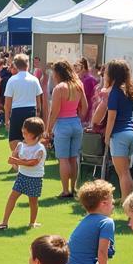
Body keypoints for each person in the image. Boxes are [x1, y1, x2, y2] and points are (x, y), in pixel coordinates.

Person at [93, 59, 133, 201]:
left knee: (123, 174)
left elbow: (111, 117)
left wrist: (107, 137)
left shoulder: (115, 93)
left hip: (119, 135)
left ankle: (127, 204)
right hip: (131, 133)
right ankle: (129, 202)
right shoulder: (130, 91)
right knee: (127, 172)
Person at [62, 179, 116, 264]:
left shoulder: (86, 220)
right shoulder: (106, 222)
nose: (114, 202)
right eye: (112, 199)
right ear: (104, 203)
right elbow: (102, 253)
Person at [0, 116, 47, 230]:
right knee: (12, 197)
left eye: (26, 133)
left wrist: (16, 161)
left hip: (35, 178)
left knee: (33, 201)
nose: (23, 135)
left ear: (35, 135)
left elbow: (32, 163)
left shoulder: (40, 149)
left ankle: (32, 223)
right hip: (22, 176)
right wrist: (14, 157)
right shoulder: (21, 145)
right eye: (23, 132)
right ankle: (4, 222)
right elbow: (15, 157)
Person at [46, 59, 88, 198]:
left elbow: (55, 111)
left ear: (58, 73)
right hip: (75, 123)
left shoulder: (59, 88)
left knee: (63, 159)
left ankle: (65, 190)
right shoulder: (78, 84)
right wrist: (78, 118)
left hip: (62, 125)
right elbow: (85, 107)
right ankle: (73, 188)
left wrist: (48, 129)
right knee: (73, 158)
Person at [4, 54, 43, 153]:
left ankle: (19, 159)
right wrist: (38, 114)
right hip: (31, 111)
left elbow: (7, 103)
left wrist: (6, 119)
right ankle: (24, 158)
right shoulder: (34, 79)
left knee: (14, 139)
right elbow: (39, 101)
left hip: (17, 111)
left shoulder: (12, 80)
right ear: (28, 64)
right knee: (30, 137)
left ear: (16, 66)